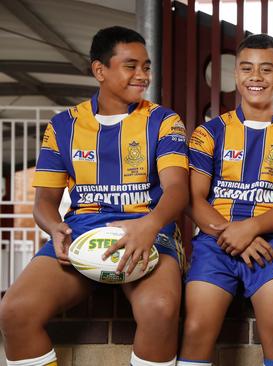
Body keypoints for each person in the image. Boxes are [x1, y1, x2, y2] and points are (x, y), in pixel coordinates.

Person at [0, 26, 189, 366]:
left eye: (146, 66)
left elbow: (177, 189)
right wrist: (55, 228)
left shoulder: (163, 120)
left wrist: (151, 224)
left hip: (147, 229)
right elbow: (44, 201)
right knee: (15, 311)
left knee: (160, 311)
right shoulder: (63, 125)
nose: (142, 75)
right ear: (99, 70)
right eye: (131, 65)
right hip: (81, 233)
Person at [177, 34, 273, 366]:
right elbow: (192, 198)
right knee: (196, 327)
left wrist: (250, 228)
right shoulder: (208, 132)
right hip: (214, 242)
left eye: (266, 69)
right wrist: (231, 233)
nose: (256, 77)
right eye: (247, 68)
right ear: (236, 75)